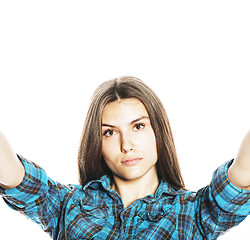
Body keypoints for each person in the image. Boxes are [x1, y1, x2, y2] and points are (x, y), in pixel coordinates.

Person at [0, 76, 250, 239]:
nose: (126, 145)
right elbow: (14, 176)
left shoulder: (194, 212)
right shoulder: (67, 206)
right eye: (109, 132)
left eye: (138, 126)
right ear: (97, 144)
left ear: (158, 131)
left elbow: (240, 176)